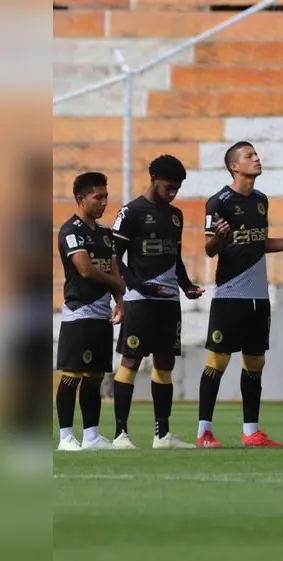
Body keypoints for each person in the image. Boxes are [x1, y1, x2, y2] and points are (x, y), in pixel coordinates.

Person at [196, 141, 283, 448]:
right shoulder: (218, 202)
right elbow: (209, 249)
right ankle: (204, 431)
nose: (257, 158)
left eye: (256, 154)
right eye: (249, 156)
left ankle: (251, 431)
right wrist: (218, 238)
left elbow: (261, 243)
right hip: (230, 296)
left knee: (255, 363)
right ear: (234, 166)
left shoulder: (260, 201)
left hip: (258, 297)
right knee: (218, 361)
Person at [112, 155, 203, 449]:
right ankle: (120, 435)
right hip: (139, 300)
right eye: (168, 187)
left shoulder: (175, 215)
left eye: (176, 188)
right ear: (153, 179)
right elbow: (114, 259)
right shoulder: (131, 212)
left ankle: (162, 435)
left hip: (169, 301)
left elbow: (174, 257)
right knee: (130, 361)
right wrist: (138, 287)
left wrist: (187, 285)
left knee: (165, 364)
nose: (172, 193)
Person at [55, 172, 124, 451]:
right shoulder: (71, 231)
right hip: (79, 312)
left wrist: (121, 300)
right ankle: (65, 437)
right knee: (72, 375)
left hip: (101, 314)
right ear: (80, 199)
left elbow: (113, 269)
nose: (103, 202)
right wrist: (117, 283)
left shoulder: (106, 234)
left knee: (95, 377)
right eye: (98, 197)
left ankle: (92, 436)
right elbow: (84, 269)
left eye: (106, 197)